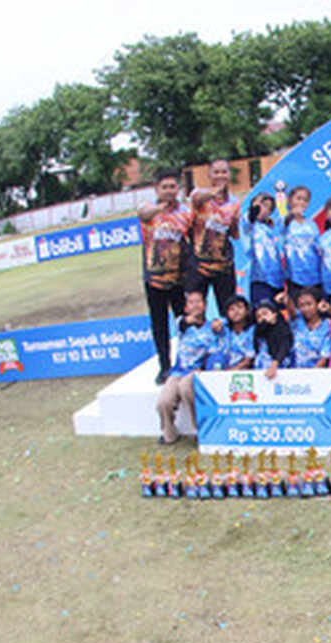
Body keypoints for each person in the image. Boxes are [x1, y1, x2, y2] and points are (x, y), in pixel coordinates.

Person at [138, 169, 194, 384]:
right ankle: (164, 366)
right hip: (154, 279)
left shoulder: (185, 213)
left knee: (184, 321)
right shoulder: (149, 210)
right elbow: (143, 214)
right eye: (165, 187)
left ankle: (188, 360)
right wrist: (163, 206)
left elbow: (189, 242)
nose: (170, 191)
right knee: (159, 324)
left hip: (179, 279)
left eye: (173, 187)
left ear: (178, 188)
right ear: (156, 189)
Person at [155, 290, 218, 444]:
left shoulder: (213, 328)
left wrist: (203, 369)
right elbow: (184, 323)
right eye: (191, 302)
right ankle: (169, 433)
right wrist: (190, 319)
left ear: (205, 306)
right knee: (164, 402)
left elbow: (214, 353)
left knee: (186, 388)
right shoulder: (181, 324)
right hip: (177, 372)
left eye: (199, 302)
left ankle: (201, 430)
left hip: (197, 372)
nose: (195, 305)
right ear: (186, 307)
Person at [187, 158, 242, 314]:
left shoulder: (234, 201)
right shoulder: (199, 195)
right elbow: (196, 199)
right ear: (209, 175)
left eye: (224, 172)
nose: (220, 175)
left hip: (223, 265)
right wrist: (216, 192)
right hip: (199, 265)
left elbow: (234, 235)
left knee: (229, 310)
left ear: (229, 174)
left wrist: (235, 222)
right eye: (216, 172)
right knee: (195, 310)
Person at [281, 186, 320, 315]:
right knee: (297, 313)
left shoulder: (312, 224)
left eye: (305, 200)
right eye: (298, 198)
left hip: (314, 277)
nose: (301, 203)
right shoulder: (285, 222)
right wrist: (291, 215)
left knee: (315, 312)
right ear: (290, 200)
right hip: (294, 278)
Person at [242, 193, 284, 307]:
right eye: (262, 205)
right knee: (262, 311)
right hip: (260, 279)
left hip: (277, 280)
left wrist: (281, 198)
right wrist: (256, 207)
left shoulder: (271, 228)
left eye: (269, 208)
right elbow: (249, 218)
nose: (264, 210)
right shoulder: (250, 224)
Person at [289, 287, 331, 368]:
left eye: (309, 304)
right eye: (301, 305)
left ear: (317, 304)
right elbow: (290, 309)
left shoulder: (327, 325)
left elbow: (325, 357)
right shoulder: (297, 322)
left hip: (317, 373)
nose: (306, 309)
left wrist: (311, 374)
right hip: (294, 372)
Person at [253, 299, 293, 380]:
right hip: (260, 371)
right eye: (258, 316)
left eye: (265, 313)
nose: (262, 318)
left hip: (281, 370)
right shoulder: (258, 333)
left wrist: (274, 365)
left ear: (274, 314)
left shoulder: (283, 328)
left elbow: (284, 347)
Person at [214, 295, 255, 370]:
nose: (236, 311)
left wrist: (234, 369)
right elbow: (215, 325)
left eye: (239, 307)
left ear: (247, 310)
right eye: (232, 309)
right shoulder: (223, 329)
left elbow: (249, 359)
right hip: (220, 367)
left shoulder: (252, 331)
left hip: (243, 370)